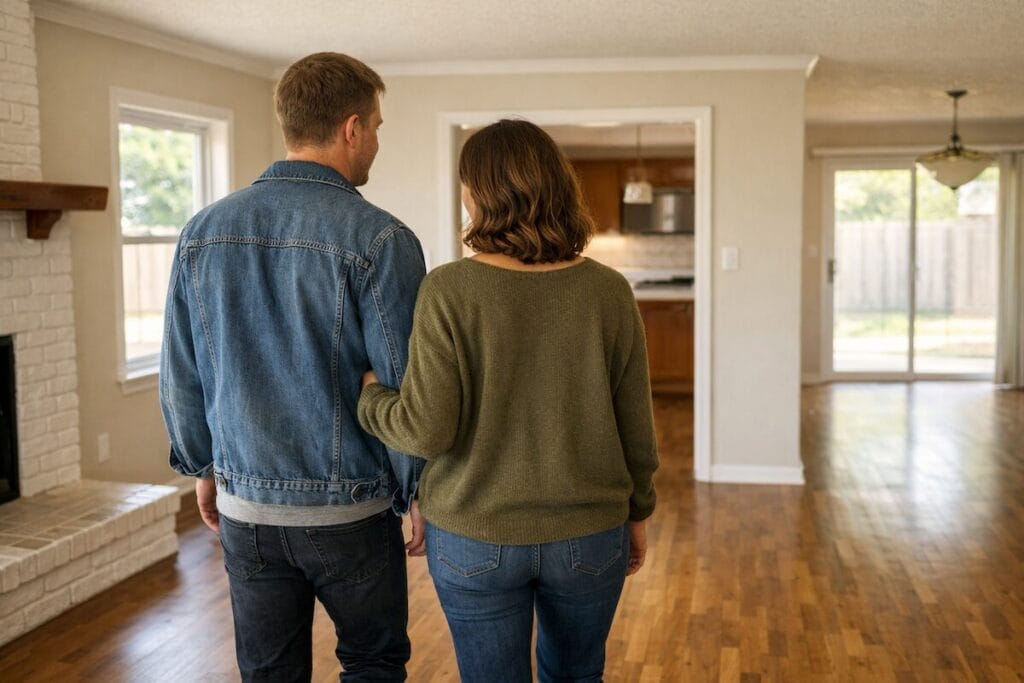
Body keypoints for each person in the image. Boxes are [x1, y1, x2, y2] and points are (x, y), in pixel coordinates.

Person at [357, 119, 659, 682]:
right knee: (577, 675)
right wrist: (638, 510)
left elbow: (425, 430)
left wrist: (370, 397)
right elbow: (635, 426)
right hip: (590, 535)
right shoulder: (608, 291)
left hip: (474, 537)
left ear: (478, 194)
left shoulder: (448, 289)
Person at [159, 52, 426, 682]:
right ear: (352, 127)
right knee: (373, 664)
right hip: (352, 511)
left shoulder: (201, 232)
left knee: (268, 673)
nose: (377, 144)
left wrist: (203, 467)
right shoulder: (381, 238)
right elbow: (404, 381)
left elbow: (183, 371)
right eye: (379, 128)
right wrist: (416, 490)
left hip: (245, 507)